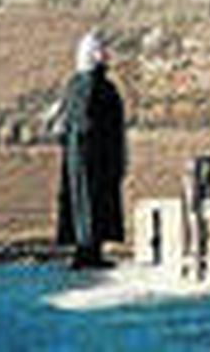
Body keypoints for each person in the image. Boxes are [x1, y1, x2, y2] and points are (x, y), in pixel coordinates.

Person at [54, 31, 127, 269]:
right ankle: (86, 250)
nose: (107, 55)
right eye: (101, 50)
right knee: (88, 201)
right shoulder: (88, 84)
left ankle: (90, 250)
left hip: (91, 156)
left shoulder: (84, 84)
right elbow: (82, 122)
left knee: (91, 202)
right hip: (90, 158)